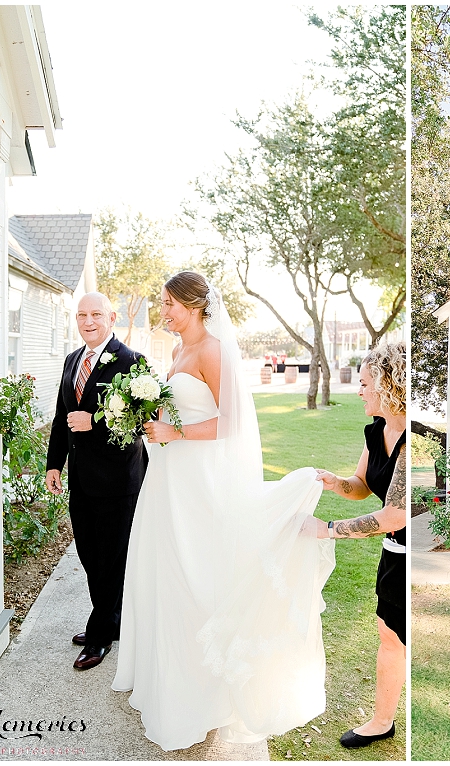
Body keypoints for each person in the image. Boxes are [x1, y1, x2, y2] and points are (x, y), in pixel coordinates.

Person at [110, 272, 335, 751]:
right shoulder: (175, 353)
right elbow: (178, 412)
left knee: (197, 575)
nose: (164, 311)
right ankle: (164, 675)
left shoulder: (215, 351)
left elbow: (230, 425)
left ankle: (204, 692)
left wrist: (174, 434)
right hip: (168, 480)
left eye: (169, 304)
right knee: (163, 572)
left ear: (193, 305)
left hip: (200, 481)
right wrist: (150, 422)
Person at [46, 292, 148, 671]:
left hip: (120, 480)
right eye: (82, 314)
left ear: (112, 317)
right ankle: (111, 618)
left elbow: (144, 420)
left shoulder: (131, 361)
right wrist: (54, 465)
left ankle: (100, 635)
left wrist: (97, 420)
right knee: (90, 555)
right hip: (82, 480)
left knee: (111, 560)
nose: (88, 321)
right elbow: (62, 417)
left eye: (96, 314)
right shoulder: (73, 360)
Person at [312, 341, 406, 748]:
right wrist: (337, 484)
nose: (360, 390)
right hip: (393, 555)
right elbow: (362, 485)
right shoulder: (376, 430)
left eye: (365, 383)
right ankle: (383, 721)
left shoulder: (413, 437)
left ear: (388, 383)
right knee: (391, 636)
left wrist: (328, 529)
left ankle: (384, 721)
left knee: (399, 637)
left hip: (414, 555)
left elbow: (396, 516)